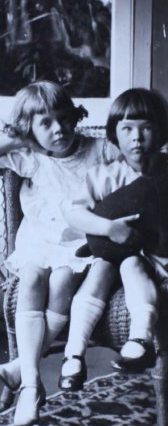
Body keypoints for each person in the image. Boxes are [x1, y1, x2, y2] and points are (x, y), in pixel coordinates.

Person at [0, 81, 117, 426]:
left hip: (79, 242)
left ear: (74, 117)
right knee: (32, 277)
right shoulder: (32, 158)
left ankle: (23, 369)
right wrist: (19, 139)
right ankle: (32, 385)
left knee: (62, 281)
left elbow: (136, 158)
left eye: (63, 118)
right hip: (38, 240)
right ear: (29, 129)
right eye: (45, 123)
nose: (58, 129)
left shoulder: (97, 150)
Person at [60, 87, 168, 384]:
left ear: (161, 132)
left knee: (132, 264)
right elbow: (74, 213)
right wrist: (109, 228)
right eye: (127, 129)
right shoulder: (103, 175)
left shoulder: (164, 172)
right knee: (100, 270)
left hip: (153, 259)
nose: (137, 137)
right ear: (114, 134)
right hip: (110, 255)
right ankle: (74, 354)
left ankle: (140, 340)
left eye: (146, 128)